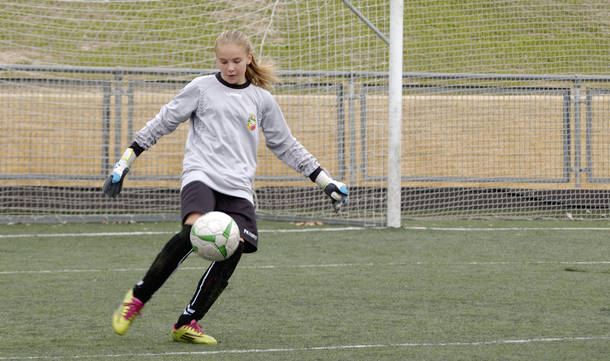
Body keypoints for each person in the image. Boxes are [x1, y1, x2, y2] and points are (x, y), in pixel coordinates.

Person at [103, 29, 349, 344]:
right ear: (216, 60)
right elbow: (163, 121)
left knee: (236, 247)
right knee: (194, 229)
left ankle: (188, 322)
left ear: (249, 58)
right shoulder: (201, 89)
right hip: (201, 174)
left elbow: (286, 145)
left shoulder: (261, 100)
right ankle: (137, 298)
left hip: (238, 187)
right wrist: (126, 159)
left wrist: (325, 181)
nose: (230, 67)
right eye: (223, 61)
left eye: (236, 61)